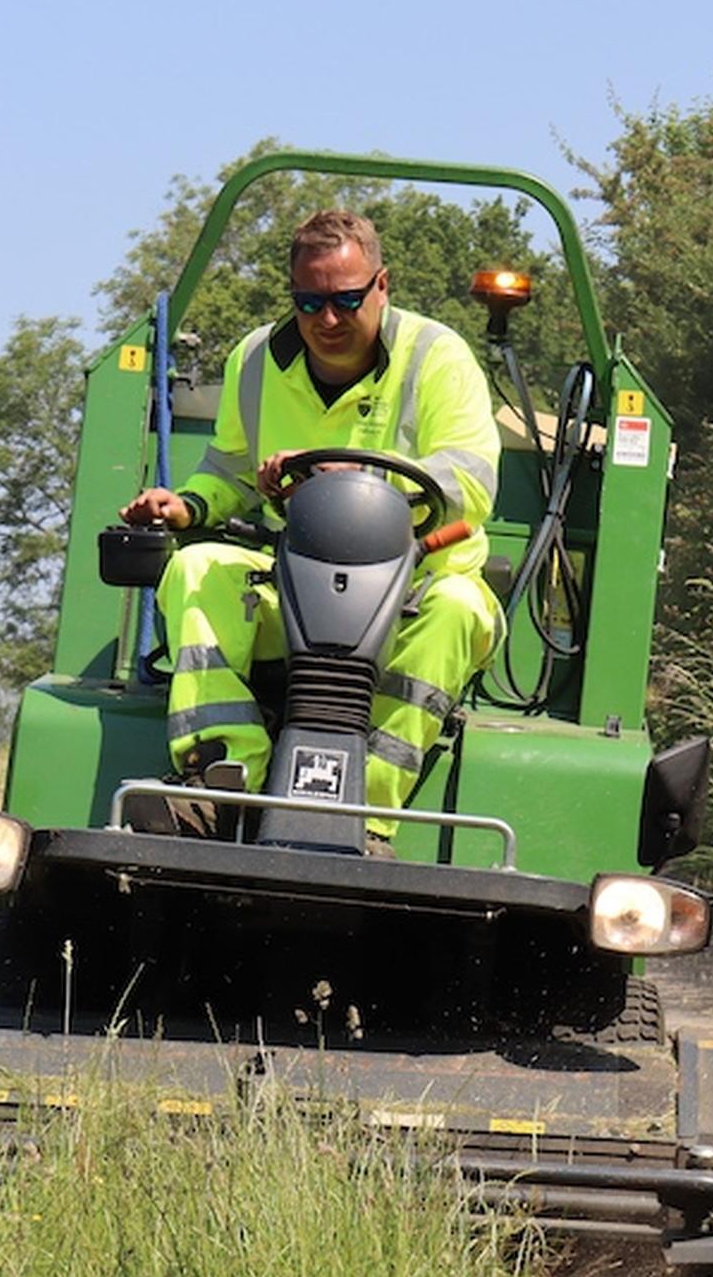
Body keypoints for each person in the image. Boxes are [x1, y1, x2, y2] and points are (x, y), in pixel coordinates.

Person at [120, 209, 502, 847]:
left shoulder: (437, 358)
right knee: (194, 567)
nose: (328, 319)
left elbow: (471, 481)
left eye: (348, 299)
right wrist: (187, 506)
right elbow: (230, 473)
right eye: (310, 301)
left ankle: (368, 816)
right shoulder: (254, 361)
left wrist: (364, 478)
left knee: (460, 608)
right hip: (288, 589)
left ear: (383, 286)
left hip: (410, 594)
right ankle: (227, 786)